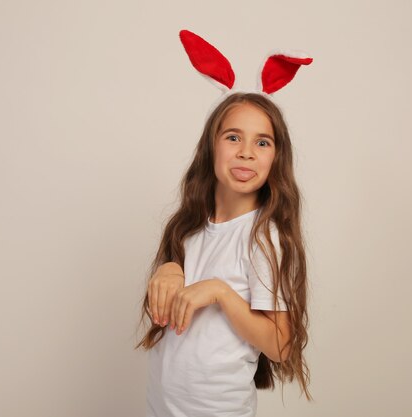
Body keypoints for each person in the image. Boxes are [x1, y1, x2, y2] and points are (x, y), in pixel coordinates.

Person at [135, 29, 313, 417]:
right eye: (234, 137)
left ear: (275, 157)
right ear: (211, 146)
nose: (246, 153)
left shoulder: (264, 239)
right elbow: (175, 318)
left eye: (262, 142)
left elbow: (281, 345)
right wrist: (168, 268)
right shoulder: (189, 228)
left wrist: (218, 292)